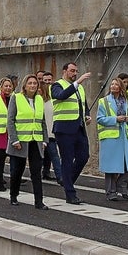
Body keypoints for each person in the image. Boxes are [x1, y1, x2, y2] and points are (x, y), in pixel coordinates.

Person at [51, 62, 92, 205]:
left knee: (83, 156)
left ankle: (66, 180)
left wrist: (87, 115)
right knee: (67, 160)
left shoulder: (79, 88)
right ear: (64, 71)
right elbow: (61, 96)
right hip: (64, 128)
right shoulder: (57, 85)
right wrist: (77, 83)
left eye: (76, 71)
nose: (75, 73)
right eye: (72, 71)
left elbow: (83, 105)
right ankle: (70, 194)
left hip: (79, 127)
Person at [7, 74, 48, 209]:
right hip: (20, 141)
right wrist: (14, 139)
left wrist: (45, 140)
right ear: (24, 85)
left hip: (36, 140)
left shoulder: (39, 100)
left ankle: (39, 201)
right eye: (30, 83)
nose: (32, 86)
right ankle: (14, 195)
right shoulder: (16, 98)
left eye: (35, 83)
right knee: (17, 171)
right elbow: (10, 120)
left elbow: (42, 122)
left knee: (36, 171)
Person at [97, 77, 128, 201]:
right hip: (110, 138)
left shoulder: (126, 101)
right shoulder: (103, 101)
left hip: (123, 136)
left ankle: (122, 187)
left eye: (116, 84)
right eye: (112, 84)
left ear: (120, 87)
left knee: (127, 164)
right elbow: (100, 118)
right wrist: (115, 119)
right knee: (111, 167)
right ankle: (111, 192)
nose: (113, 86)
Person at [39, 72, 62, 184]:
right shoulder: (41, 102)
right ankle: (59, 176)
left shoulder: (52, 101)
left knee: (49, 154)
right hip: (46, 133)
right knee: (53, 155)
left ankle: (46, 172)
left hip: (50, 132)